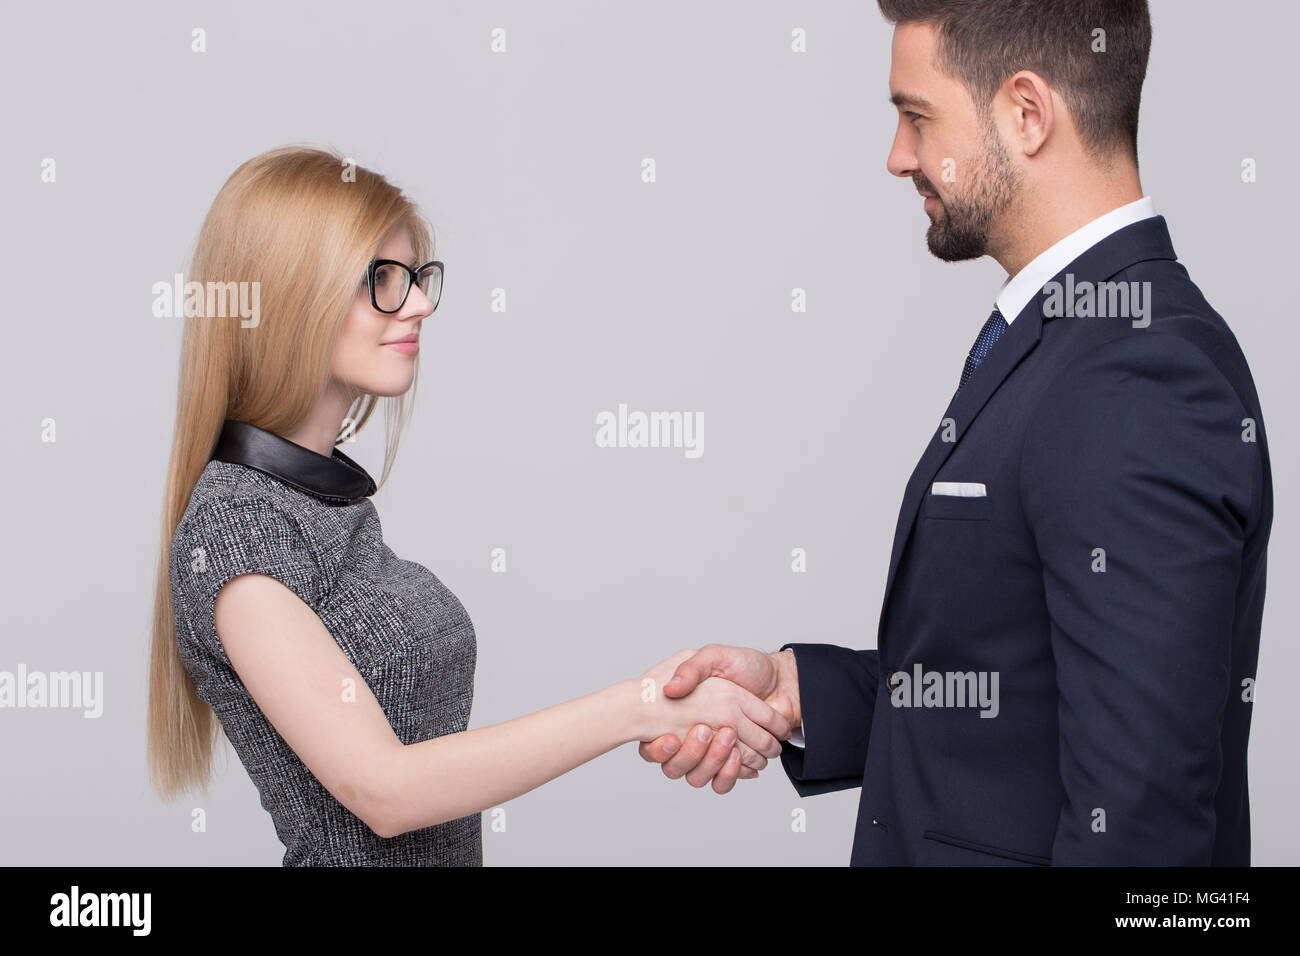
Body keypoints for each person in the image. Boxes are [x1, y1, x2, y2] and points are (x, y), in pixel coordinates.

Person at [642, 0, 1273, 866]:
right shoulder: (1069, 338)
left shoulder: (1138, 372)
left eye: (915, 116)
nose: (898, 157)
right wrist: (799, 696)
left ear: (1026, 113)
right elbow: (1017, 688)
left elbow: (1143, 819)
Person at [146, 145, 790, 866]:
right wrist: (642, 704)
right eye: (383, 280)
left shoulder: (322, 503)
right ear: (294, 295)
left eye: (418, 277)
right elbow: (386, 791)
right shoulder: (237, 531)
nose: (419, 302)